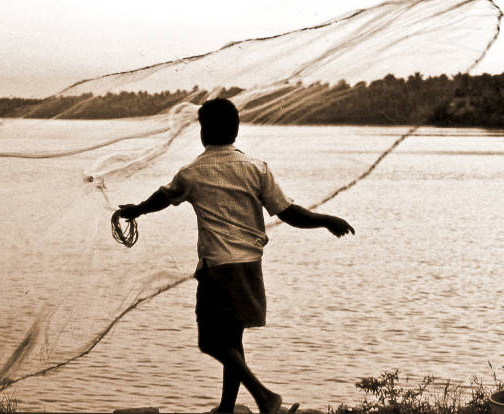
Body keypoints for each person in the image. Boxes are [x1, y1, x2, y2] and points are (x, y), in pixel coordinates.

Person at [117, 98, 354, 414]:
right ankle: (227, 407)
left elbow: (163, 197)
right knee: (233, 340)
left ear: (203, 132)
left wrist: (136, 211)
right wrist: (325, 220)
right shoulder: (255, 168)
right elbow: (289, 213)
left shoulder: (192, 173)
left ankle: (264, 396)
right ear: (236, 130)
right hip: (249, 266)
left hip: (218, 268)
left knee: (211, 342)